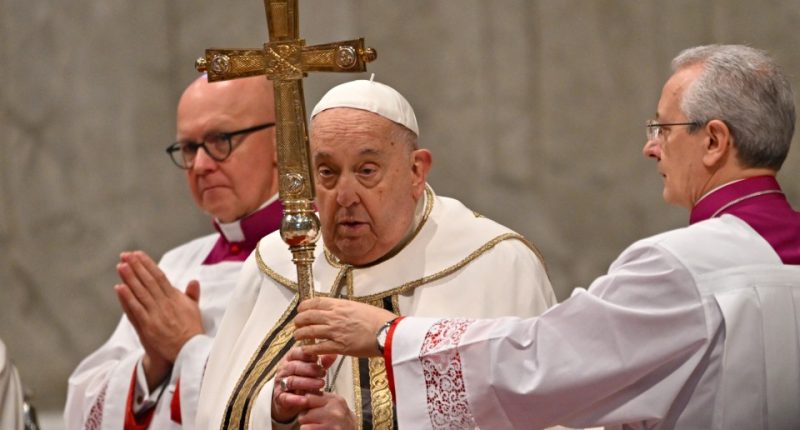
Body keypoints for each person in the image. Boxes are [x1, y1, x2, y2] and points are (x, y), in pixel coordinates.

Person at [293, 44, 800, 429]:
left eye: (663, 128)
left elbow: (539, 362)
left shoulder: (681, 267)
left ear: (712, 141)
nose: (651, 148)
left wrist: (387, 335)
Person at [194, 79, 557, 430]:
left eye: (367, 171)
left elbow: (532, 417)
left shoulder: (494, 265)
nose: (345, 195)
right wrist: (276, 412)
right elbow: (213, 414)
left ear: (416, 171)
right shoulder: (275, 263)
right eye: (327, 172)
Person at [65, 75, 282, 430]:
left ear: (281, 141)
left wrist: (187, 345)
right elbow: (81, 406)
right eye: (189, 147)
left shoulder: (320, 261)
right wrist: (153, 364)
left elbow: (289, 404)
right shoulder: (177, 266)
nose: (200, 165)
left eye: (220, 140)